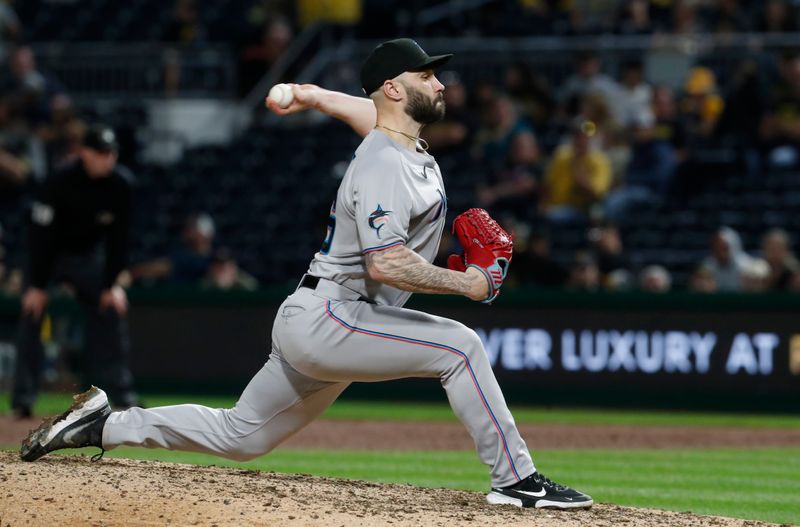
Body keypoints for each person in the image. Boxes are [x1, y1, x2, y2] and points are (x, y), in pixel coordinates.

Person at [20, 38, 593, 511]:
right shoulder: (384, 162)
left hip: (330, 317)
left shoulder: (396, 136)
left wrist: (309, 93)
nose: (440, 84)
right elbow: (385, 262)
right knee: (461, 347)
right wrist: (468, 283)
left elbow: (361, 109)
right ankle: (519, 482)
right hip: (334, 316)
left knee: (242, 436)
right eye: (426, 75)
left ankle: (104, 425)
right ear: (396, 88)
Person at [11, 125, 140, 418]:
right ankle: (23, 399)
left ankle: (122, 394)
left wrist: (111, 285)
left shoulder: (122, 185)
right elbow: (41, 236)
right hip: (50, 256)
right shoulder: (59, 182)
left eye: (111, 153)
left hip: (87, 258)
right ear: (85, 153)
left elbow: (120, 239)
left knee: (113, 309)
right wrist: (38, 285)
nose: (107, 159)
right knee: (32, 313)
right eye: (100, 153)